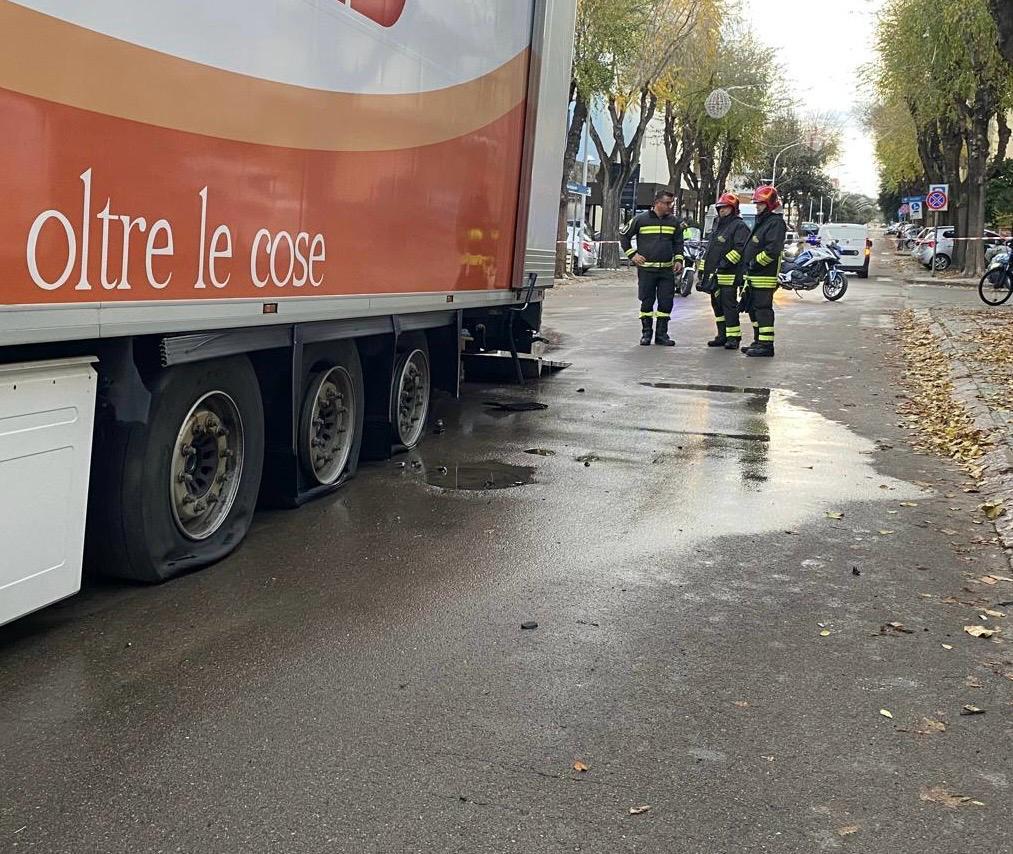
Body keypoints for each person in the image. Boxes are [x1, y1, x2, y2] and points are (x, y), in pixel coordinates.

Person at [619, 190, 685, 346]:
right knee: (647, 303)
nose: (670, 206)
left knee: (666, 303)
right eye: (667, 203)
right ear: (657, 203)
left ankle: (662, 335)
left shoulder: (674, 222)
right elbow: (624, 236)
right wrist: (632, 255)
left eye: (671, 203)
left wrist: (679, 259)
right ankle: (646, 334)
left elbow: (678, 243)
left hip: (666, 271)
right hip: (647, 270)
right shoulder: (640, 220)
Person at [740, 185, 787, 357]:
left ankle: (766, 345)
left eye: (761, 203)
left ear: (769, 204)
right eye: (756, 203)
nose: (757, 206)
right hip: (753, 276)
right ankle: (758, 340)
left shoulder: (775, 223)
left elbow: (773, 250)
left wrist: (754, 263)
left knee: (763, 310)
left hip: (764, 277)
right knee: (754, 310)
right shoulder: (763, 221)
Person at [699, 193, 751, 350]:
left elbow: (740, 249)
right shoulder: (718, 225)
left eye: (725, 208)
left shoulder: (739, 226)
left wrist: (725, 263)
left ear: (733, 209)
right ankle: (722, 335)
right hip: (714, 276)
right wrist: (703, 270)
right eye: (720, 208)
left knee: (729, 306)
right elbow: (709, 251)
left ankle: (733, 337)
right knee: (717, 307)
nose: (722, 211)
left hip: (728, 275)